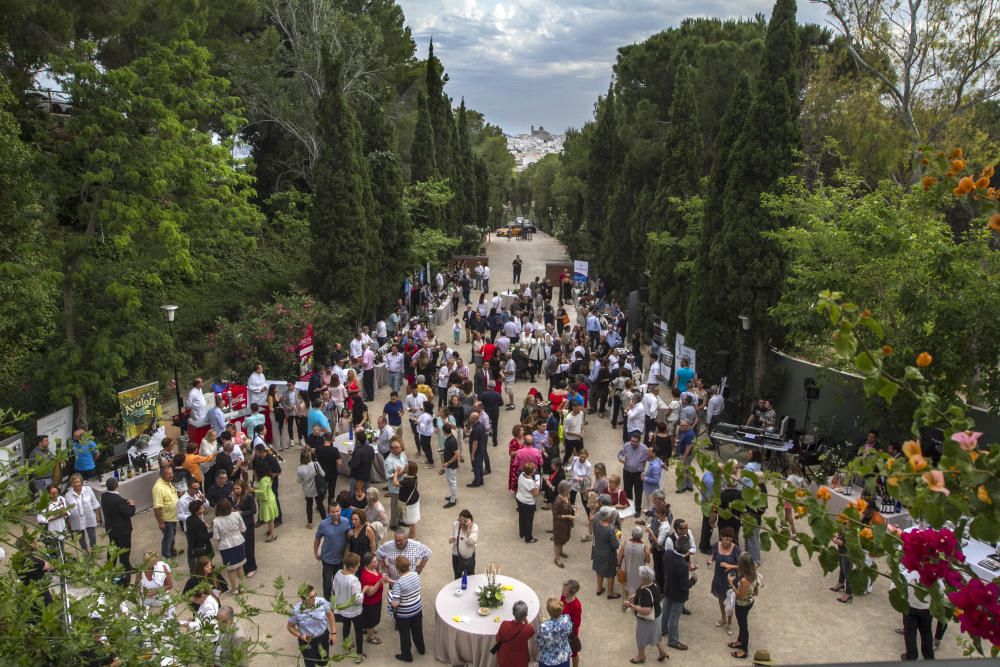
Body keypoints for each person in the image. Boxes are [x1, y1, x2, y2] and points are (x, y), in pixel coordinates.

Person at [624, 565, 669, 663]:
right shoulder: (654, 583)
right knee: (655, 635)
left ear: (643, 578)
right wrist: (633, 596)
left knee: (640, 637)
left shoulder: (646, 593)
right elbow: (640, 590)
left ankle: (641, 657)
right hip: (657, 616)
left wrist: (631, 605)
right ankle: (662, 653)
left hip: (647, 619)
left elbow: (646, 610)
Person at [287, 584, 337, 667]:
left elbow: (330, 615)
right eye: (311, 597)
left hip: (322, 637)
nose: (314, 598)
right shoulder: (296, 611)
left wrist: (333, 633)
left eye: (315, 595)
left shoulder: (322, 602)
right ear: (303, 598)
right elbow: (290, 627)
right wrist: (300, 635)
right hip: (307, 641)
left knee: (323, 661)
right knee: (310, 664)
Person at [662, 536, 697, 651]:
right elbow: (684, 585)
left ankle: (663, 630)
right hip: (678, 594)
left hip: (668, 588)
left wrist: (686, 569)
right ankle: (673, 640)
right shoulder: (682, 564)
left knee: (666, 611)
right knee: (674, 617)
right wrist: (693, 580)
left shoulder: (668, 554)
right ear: (686, 549)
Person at [388, 555, 425, 662]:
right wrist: (392, 581)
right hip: (417, 610)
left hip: (404, 615)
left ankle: (407, 655)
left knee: (405, 636)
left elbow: (395, 603)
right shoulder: (415, 575)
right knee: (417, 632)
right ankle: (421, 649)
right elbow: (406, 584)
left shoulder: (398, 585)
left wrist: (390, 596)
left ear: (397, 568)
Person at [315, 500, 352, 601]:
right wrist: (316, 552)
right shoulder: (323, 524)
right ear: (329, 512)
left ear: (340, 510)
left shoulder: (345, 521)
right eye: (333, 512)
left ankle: (336, 600)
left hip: (340, 559)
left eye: (337, 511)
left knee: (338, 582)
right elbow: (317, 539)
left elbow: (349, 533)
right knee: (327, 582)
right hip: (327, 559)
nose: (336, 513)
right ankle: (327, 602)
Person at [333, 552, 366, 663]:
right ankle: (359, 654)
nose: (359, 566)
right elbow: (357, 600)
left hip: (343, 608)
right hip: (354, 611)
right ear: (352, 567)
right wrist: (364, 592)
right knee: (358, 631)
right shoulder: (354, 580)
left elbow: (334, 588)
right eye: (358, 564)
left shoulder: (338, 573)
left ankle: (346, 647)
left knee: (346, 627)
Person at [709, 526, 741, 634]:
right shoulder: (716, 546)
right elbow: (713, 556)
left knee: (730, 603)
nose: (728, 542)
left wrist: (731, 566)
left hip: (730, 580)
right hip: (719, 577)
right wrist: (710, 560)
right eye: (726, 539)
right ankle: (723, 618)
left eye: (730, 540)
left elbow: (742, 565)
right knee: (721, 599)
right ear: (721, 537)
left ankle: (730, 622)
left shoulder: (736, 549)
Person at [212, 498, 247, 592]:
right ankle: (243, 587)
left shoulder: (216, 521)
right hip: (239, 542)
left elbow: (216, 537)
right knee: (240, 566)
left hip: (226, 546)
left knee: (230, 569)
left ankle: (234, 589)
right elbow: (243, 529)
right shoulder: (237, 515)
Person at [729, 552, 758, 658]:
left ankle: (744, 650)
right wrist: (731, 566)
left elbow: (740, 595)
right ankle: (740, 641)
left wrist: (731, 584)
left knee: (743, 626)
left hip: (742, 604)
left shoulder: (745, 580)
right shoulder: (753, 570)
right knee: (742, 624)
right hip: (749, 601)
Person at [64, 473, 102, 553]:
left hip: (89, 516)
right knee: (81, 538)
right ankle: (85, 552)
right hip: (76, 519)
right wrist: (68, 522)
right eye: (74, 482)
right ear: (71, 483)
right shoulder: (68, 495)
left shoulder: (88, 490)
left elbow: (94, 503)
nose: (76, 484)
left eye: (78, 482)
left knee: (92, 536)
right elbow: (67, 510)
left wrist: (97, 515)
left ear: (81, 482)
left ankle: (94, 552)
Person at [495, 599, 536, 667]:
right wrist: (525, 621)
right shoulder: (527, 629)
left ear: (513, 613)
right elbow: (532, 632)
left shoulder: (504, 624)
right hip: (520, 661)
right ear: (526, 615)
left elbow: (498, 639)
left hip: (505, 658)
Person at [152, 465, 181, 559]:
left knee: (172, 535)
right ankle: (166, 557)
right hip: (166, 519)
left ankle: (172, 551)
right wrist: (160, 523)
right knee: (168, 538)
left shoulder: (167, 482)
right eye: (168, 474)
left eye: (171, 473)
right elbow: (157, 508)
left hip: (173, 516)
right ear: (162, 475)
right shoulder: (158, 488)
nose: (171, 476)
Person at [592, 506, 621, 599]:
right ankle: (610, 593)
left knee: (599, 571)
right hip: (609, 555)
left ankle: (599, 589)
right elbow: (615, 545)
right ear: (608, 517)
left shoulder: (596, 523)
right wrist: (617, 538)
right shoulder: (610, 530)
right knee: (610, 574)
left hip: (598, 551)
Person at [619, 526, 651, 611]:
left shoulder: (625, 543)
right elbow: (648, 560)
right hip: (637, 572)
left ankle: (624, 604)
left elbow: (620, 555)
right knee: (635, 589)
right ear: (641, 536)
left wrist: (618, 566)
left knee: (625, 587)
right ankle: (631, 605)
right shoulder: (644, 547)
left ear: (632, 534)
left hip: (625, 569)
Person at [537, 597, 574, 667]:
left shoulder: (543, 627)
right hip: (563, 657)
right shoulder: (567, 619)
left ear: (549, 611)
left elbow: (540, 643)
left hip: (547, 660)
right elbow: (570, 631)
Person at [359, 552, 385, 646]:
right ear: (367, 563)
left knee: (373, 618)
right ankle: (370, 636)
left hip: (377, 599)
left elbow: (378, 576)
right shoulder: (366, 576)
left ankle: (370, 629)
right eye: (373, 562)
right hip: (371, 602)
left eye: (376, 561)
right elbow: (369, 593)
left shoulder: (373, 569)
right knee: (371, 619)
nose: (376, 563)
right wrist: (379, 582)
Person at [233, 480, 257, 578]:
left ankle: (252, 567)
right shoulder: (235, 497)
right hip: (238, 524)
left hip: (247, 524)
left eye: (238, 488)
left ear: (243, 488)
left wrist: (241, 513)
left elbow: (253, 510)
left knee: (248, 546)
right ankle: (244, 567)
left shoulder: (249, 497)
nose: (235, 490)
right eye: (234, 489)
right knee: (241, 546)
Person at [384, 438, 408, 529]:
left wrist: (406, 469)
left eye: (400, 447)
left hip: (403, 484)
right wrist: (399, 473)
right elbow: (388, 475)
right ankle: (393, 524)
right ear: (392, 449)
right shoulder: (389, 461)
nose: (400, 449)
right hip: (395, 488)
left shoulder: (402, 454)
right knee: (395, 506)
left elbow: (405, 463)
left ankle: (400, 520)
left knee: (401, 505)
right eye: (397, 448)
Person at [515, 461, 541, 543]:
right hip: (528, 503)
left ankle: (522, 532)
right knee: (529, 520)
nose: (535, 470)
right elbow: (536, 494)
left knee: (522, 517)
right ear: (531, 472)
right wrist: (537, 485)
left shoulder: (521, 475)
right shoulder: (530, 482)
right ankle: (528, 538)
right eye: (534, 469)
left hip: (519, 499)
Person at [184, 500, 213, 573]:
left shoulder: (189, 519)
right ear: (196, 511)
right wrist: (213, 533)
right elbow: (203, 537)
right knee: (202, 566)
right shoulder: (197, 523)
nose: (203, 510)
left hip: (192, 547)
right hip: (200, 549)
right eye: (201, 508)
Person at [559, 579, 583, 667]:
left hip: (571, 633)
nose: (562, 590)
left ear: (571, 592)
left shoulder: (576, 606)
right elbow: (560, 606)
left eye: (565, 590)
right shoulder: (563, 597)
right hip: (561, 627)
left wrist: (565, 624)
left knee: (573, 653)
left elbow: (577, 623)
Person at [253, 460, 278, 542]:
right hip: (270, 499)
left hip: (267, 501)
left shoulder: (263, 480)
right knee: (271, 519)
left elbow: (263, 492)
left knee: (269, 519)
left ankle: (272, 534)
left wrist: (253, 490)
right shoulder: (268, 477)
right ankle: (272, 532)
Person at [552, 480, 575, 568]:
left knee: (563, 538)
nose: (570, 490)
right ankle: (557, 559)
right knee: (557, 541)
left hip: (566, 524)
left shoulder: (567, 496)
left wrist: (573, 509)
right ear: (564, 490)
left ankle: (561, 552)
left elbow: (569, 506)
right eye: (568, 489)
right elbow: (556, 515)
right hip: (559, 524)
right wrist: (567, 516)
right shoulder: (558, 501)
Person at [449, 509, 478, 578]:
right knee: (457, 577)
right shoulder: (456, 524)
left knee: (471, 578)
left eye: (465, 521)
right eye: (460, 520)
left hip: (469, 557)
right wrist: (451, 540)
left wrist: (468, 531)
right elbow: (454, 538)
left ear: (470, 521)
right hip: (457, 556)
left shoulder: (474, 528)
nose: (462, 523)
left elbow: (471, 542)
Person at [398, 461, 421, 538]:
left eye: (406, 467)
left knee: (412, 522)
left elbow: (395, 483)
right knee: (412, 522)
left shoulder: (407, 481)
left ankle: (413, 537)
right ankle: (410, 535)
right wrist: (403, 471)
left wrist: (395, 473)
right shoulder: (413, 477)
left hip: (410, 503)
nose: (405, 467)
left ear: (410, 470)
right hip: (414, 500)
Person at [440, 423, 461, 508]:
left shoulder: (452, 441)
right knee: (450, 481)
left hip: (451, 465)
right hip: (449, 465)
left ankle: (453, 500)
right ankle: (453, 496)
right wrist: (443, 449)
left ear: (444, 431)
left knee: (452, 482)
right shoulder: (449, 439)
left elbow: (457, 454)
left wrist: (448, 463)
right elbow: (450, 449)